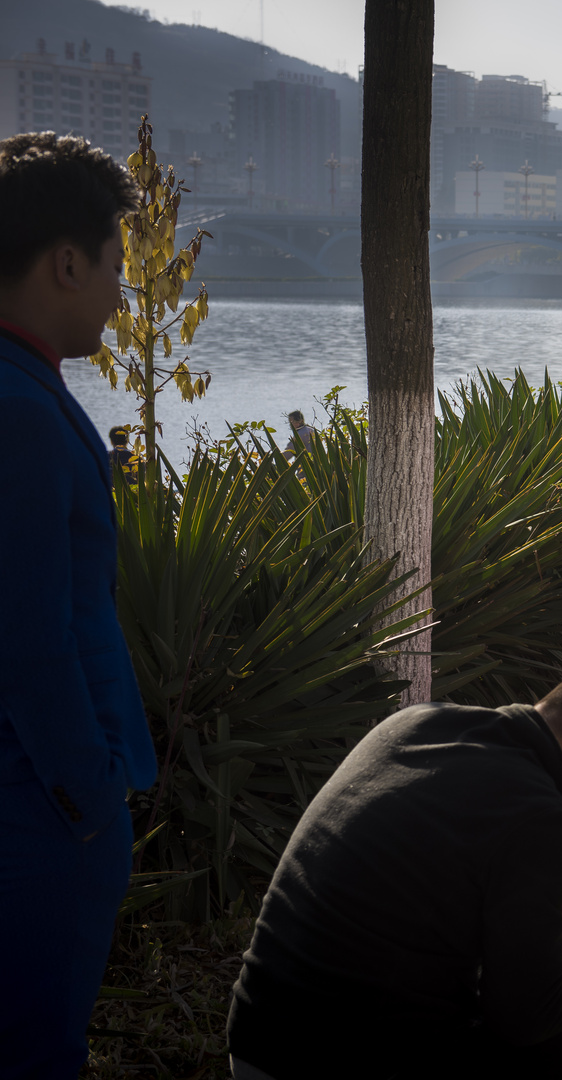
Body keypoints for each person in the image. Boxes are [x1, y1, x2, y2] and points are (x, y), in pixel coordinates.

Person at [226, 671, 562, 1080]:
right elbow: (527, 1018)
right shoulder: (545, 817)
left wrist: (547, 922)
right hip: (342, 1055)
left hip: (259, 1031)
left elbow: (423, 881)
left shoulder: (416, 723)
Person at [0, 132, 155, 1079]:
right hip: (35, 811)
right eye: (113, 265)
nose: (120, 292)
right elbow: (28, 641)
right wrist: (87, 799)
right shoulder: (18, 412)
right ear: (65, 262)